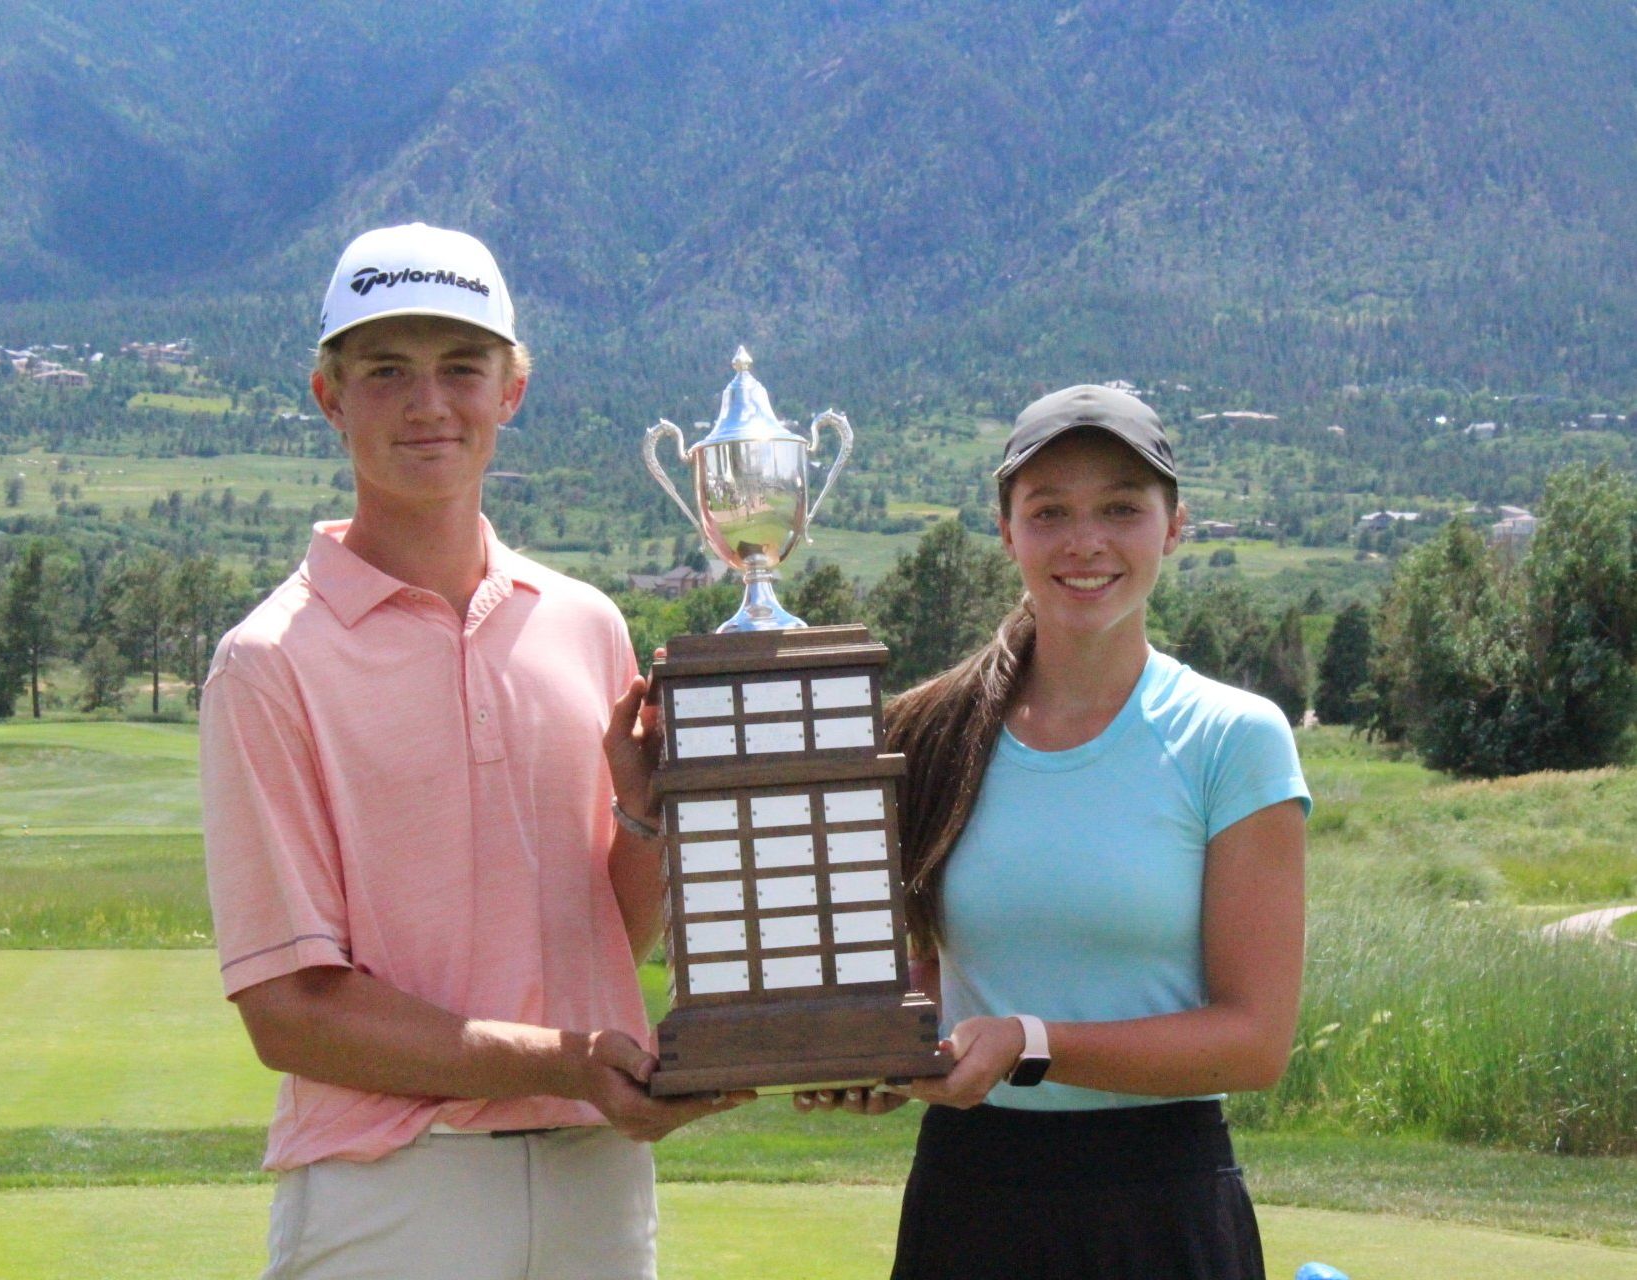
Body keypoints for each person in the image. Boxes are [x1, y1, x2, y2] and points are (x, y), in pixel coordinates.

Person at [200, 222, 744, 1280]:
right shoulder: (268, 661)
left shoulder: (585, 623)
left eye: (462, 368)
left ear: (513, 390)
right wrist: (569, 1060)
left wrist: (642, 823)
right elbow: (290, 1014)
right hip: (393, 1184)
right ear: (330, 396)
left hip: (597, 1178)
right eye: (386, 371)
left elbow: (606, 937)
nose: (428, 404)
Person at [802, 384, 1309, 1279]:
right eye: (1049, 511)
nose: (1086, 541)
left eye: (1121, 507)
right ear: (1007, 532)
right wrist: (869, 1045)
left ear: (1173, 525)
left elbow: (1253, 1039)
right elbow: (934, 968)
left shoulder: (1234, 737)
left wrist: (1028, 1044)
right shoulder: (926, 731)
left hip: (1163, 1203)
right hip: (968, 1195)